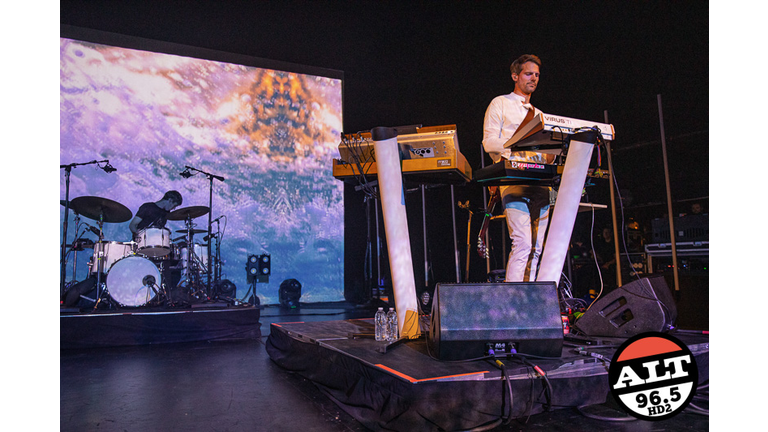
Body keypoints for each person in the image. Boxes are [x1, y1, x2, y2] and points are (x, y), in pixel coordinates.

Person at [482, 54, 556, 282]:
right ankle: (513, 297)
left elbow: (549, 154)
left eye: (537, 75)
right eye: (528, 74)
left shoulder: (540, 115)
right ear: (515, 76)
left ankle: (530, 296)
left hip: (540, 181)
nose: (534, 78)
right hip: (513, 180)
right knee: (522, 242)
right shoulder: (500, 103)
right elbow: (489, 143)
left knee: (537, 247)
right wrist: (517, 148)